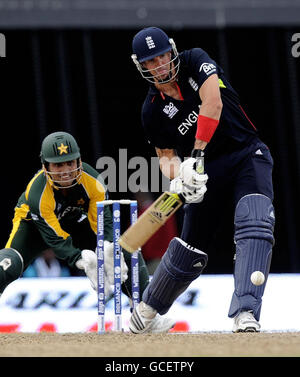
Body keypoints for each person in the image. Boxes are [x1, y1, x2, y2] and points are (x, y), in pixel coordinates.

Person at [128, 27, 275, 333]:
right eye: (150, 62)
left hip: (246, 153)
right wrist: (180, 175)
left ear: (172, 51)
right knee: (190, 252)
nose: (160, 65)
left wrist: (193, 156)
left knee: (255, 222)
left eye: (162, 56)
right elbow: (166, 157)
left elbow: (213, 103)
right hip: (204, 173)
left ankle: (246, 311)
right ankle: (149, 308)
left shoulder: (195, 60)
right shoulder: (151, 110)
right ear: (140, 66)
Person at [0, 131, 174, 332]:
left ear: (78, 161)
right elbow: (55, 238)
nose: (65, 170)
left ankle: (145, 318)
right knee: (8, 263)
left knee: (124, 249)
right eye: (58, 165)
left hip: (77, 220)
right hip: (35, 226)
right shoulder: (37, 193)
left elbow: (103, 222)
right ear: (45, 166)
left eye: (70, 163)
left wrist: (110, 248)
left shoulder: (93, 181)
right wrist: (79, 259)